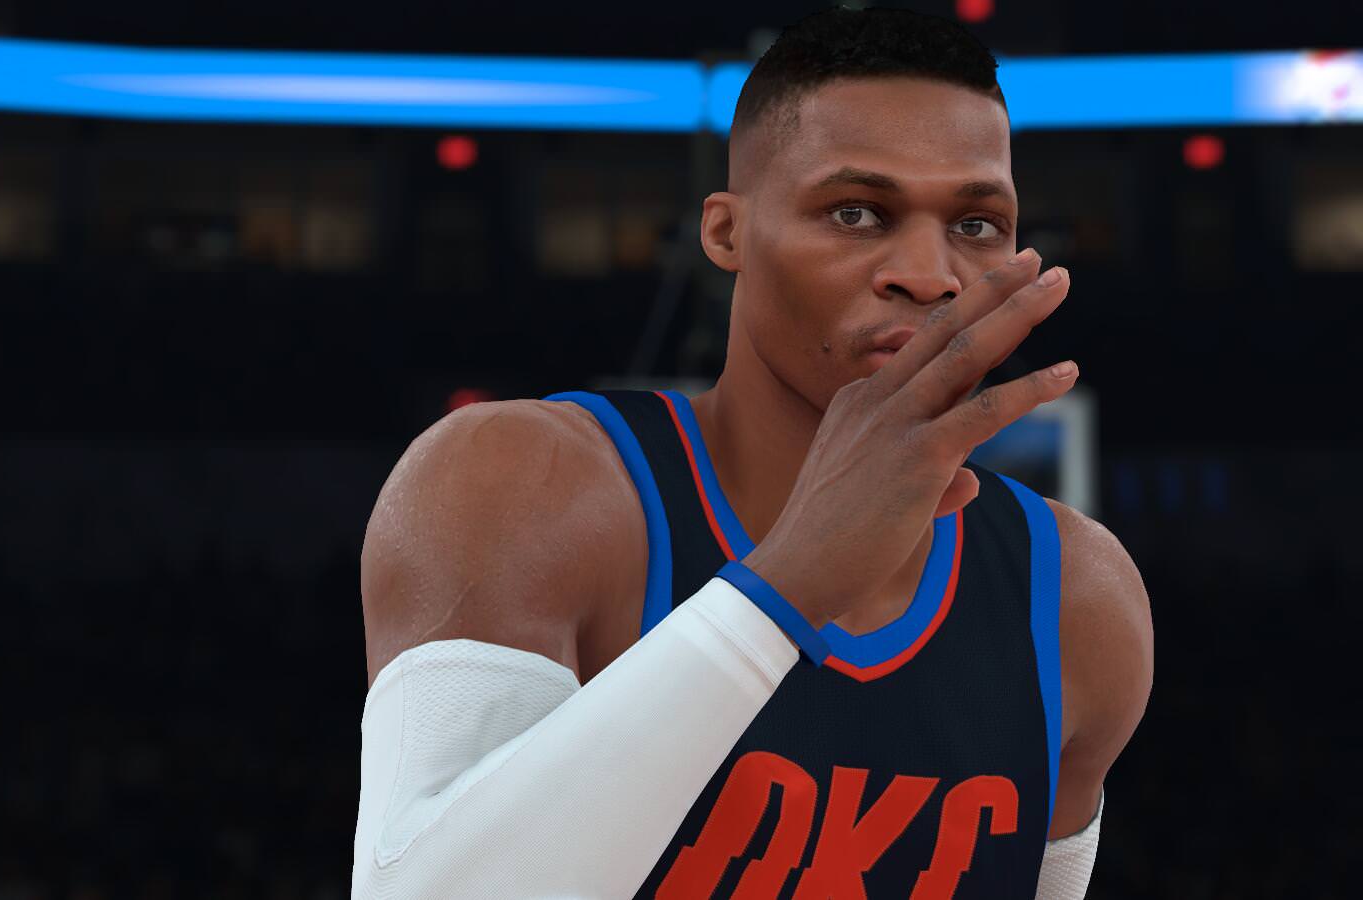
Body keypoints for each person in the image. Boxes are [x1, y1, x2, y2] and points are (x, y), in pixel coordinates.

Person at [352, 6, 1153, 898]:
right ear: (725, 232)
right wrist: (789, 586)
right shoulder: (521, 485)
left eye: (975, 225)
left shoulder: (1076, 598)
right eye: (857, 212)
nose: (930, 274)